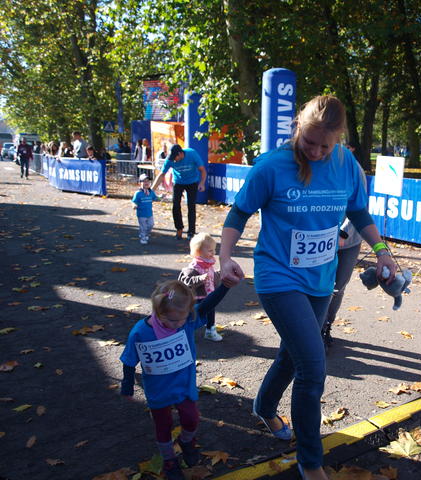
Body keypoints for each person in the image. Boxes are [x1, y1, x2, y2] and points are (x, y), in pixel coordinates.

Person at [218, 95, 396, 480]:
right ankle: (311, 462)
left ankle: (264, 407)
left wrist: (382, 251)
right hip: (278, 276)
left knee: (293, 354)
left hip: (320, 279)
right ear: (298, 126)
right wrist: (225, 256)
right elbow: (239, 212)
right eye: (309, 142)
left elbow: (358, 211)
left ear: (339, 139)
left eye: (324, 146)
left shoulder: (346, 164)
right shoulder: (272, 166)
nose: (315, 152)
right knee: (313, 367)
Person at [120, 280, 228, 480]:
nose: (177, 324)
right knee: (163, 426)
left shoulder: (186, 322)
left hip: (183, 385)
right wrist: (127, 385)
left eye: (181, 319)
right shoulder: (140, 332)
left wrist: (226, 285)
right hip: (158, 390)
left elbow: (207, 305)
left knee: (191, 418)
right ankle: (169, 459)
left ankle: (186, 441)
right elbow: (129, 360)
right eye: (171, 320)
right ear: (158, 312)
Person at [321, 218, 362, 351]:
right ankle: (318, 329)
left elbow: (358, 210)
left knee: (338, 287)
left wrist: (343, 232)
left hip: (350, 241)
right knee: (321, 286)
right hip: (322, 238)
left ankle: (327, 326)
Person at [151, 144, 207, 240]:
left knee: (191, 206)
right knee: (175, 205)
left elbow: (203, 170)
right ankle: (179, 229)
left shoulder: (192, 154)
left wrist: (202, 183)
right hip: (178, 182)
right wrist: (151, 190)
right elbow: (161, 174)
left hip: (192, 182)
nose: (174, 160)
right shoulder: (170, 159)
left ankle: (191, 232)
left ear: (180, 154)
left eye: (175, 158)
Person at [178, 233, 227, 341]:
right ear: (198, 252)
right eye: (210, 250)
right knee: (193, 316)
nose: (213, 253)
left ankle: (210, 330)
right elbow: (186, 282)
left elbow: (212, 277)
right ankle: (183, 331)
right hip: (197, 298)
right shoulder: (192, 268)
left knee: (210, 313)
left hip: (209, 295)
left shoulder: (208, 264)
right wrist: (199, 279)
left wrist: (220, 273)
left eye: (214, 250)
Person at [131, 174, 158, 245]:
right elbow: (134, 201)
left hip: (149, 213)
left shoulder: (151, 192)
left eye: (148, 181)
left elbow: (155, 198)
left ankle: (145, 234)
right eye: (144, 181)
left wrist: (161, 197)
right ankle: (143, 238)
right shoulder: (138, 193)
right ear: (140, 183)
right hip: (141, 214)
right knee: (143, 227)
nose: (146, 183)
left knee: (151, 225)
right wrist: (134, 205)